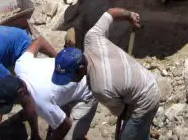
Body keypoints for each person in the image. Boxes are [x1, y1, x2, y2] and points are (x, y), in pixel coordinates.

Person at [52, 8, 159, 140]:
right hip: (143, 77)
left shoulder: (100, 87)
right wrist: (129, 15)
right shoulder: (92, 37)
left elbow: (124, 112)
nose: (71, 81)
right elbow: (111, 12)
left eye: (70, 77)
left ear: (80, 68)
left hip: (146, 98)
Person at [0, 42, 97, 140]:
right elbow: (39, 41)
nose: (17, 104)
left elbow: (65, 125)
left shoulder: (41, 100)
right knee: (52, 119)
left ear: (21, 92)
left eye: (15, 102)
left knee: (68, 136)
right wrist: (34, 134)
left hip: (86, 91)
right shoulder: (20, 65)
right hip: (64, 89)